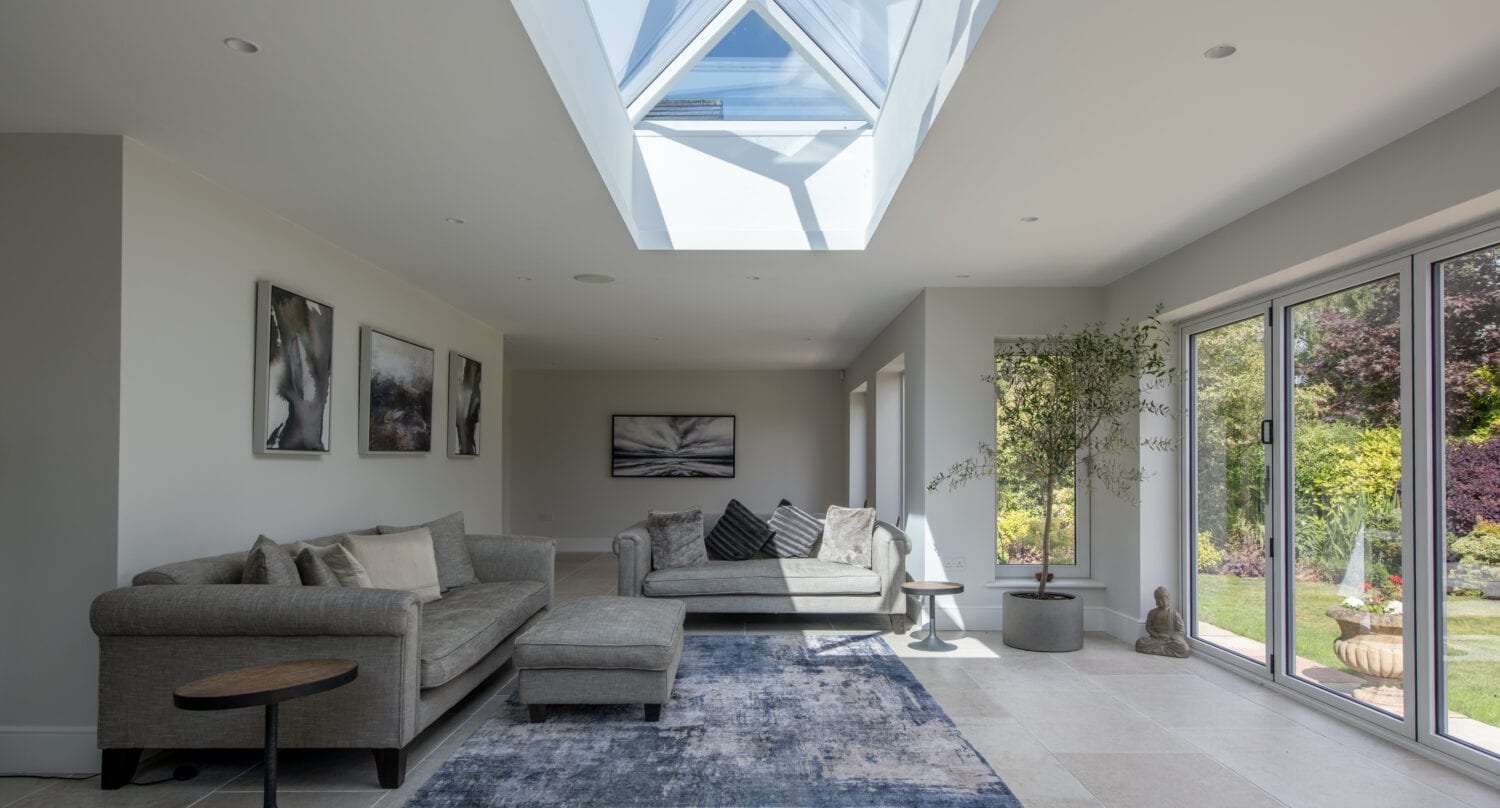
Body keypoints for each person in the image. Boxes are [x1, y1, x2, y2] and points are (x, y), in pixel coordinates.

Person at [1136, 586, 1190, 658]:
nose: (1160, 602)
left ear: (1168, 599)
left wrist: (1170, 637)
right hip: (1156, 639)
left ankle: (1158, 649)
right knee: (1140, 643)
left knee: (1185, 649)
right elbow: (1148, 627)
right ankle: (1161, 649)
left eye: (1163, 600)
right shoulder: (1153, 612)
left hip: (1170, 640)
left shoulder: (1174, 613)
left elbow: (1181, 630)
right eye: (1158, 600)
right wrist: (1155, 635)